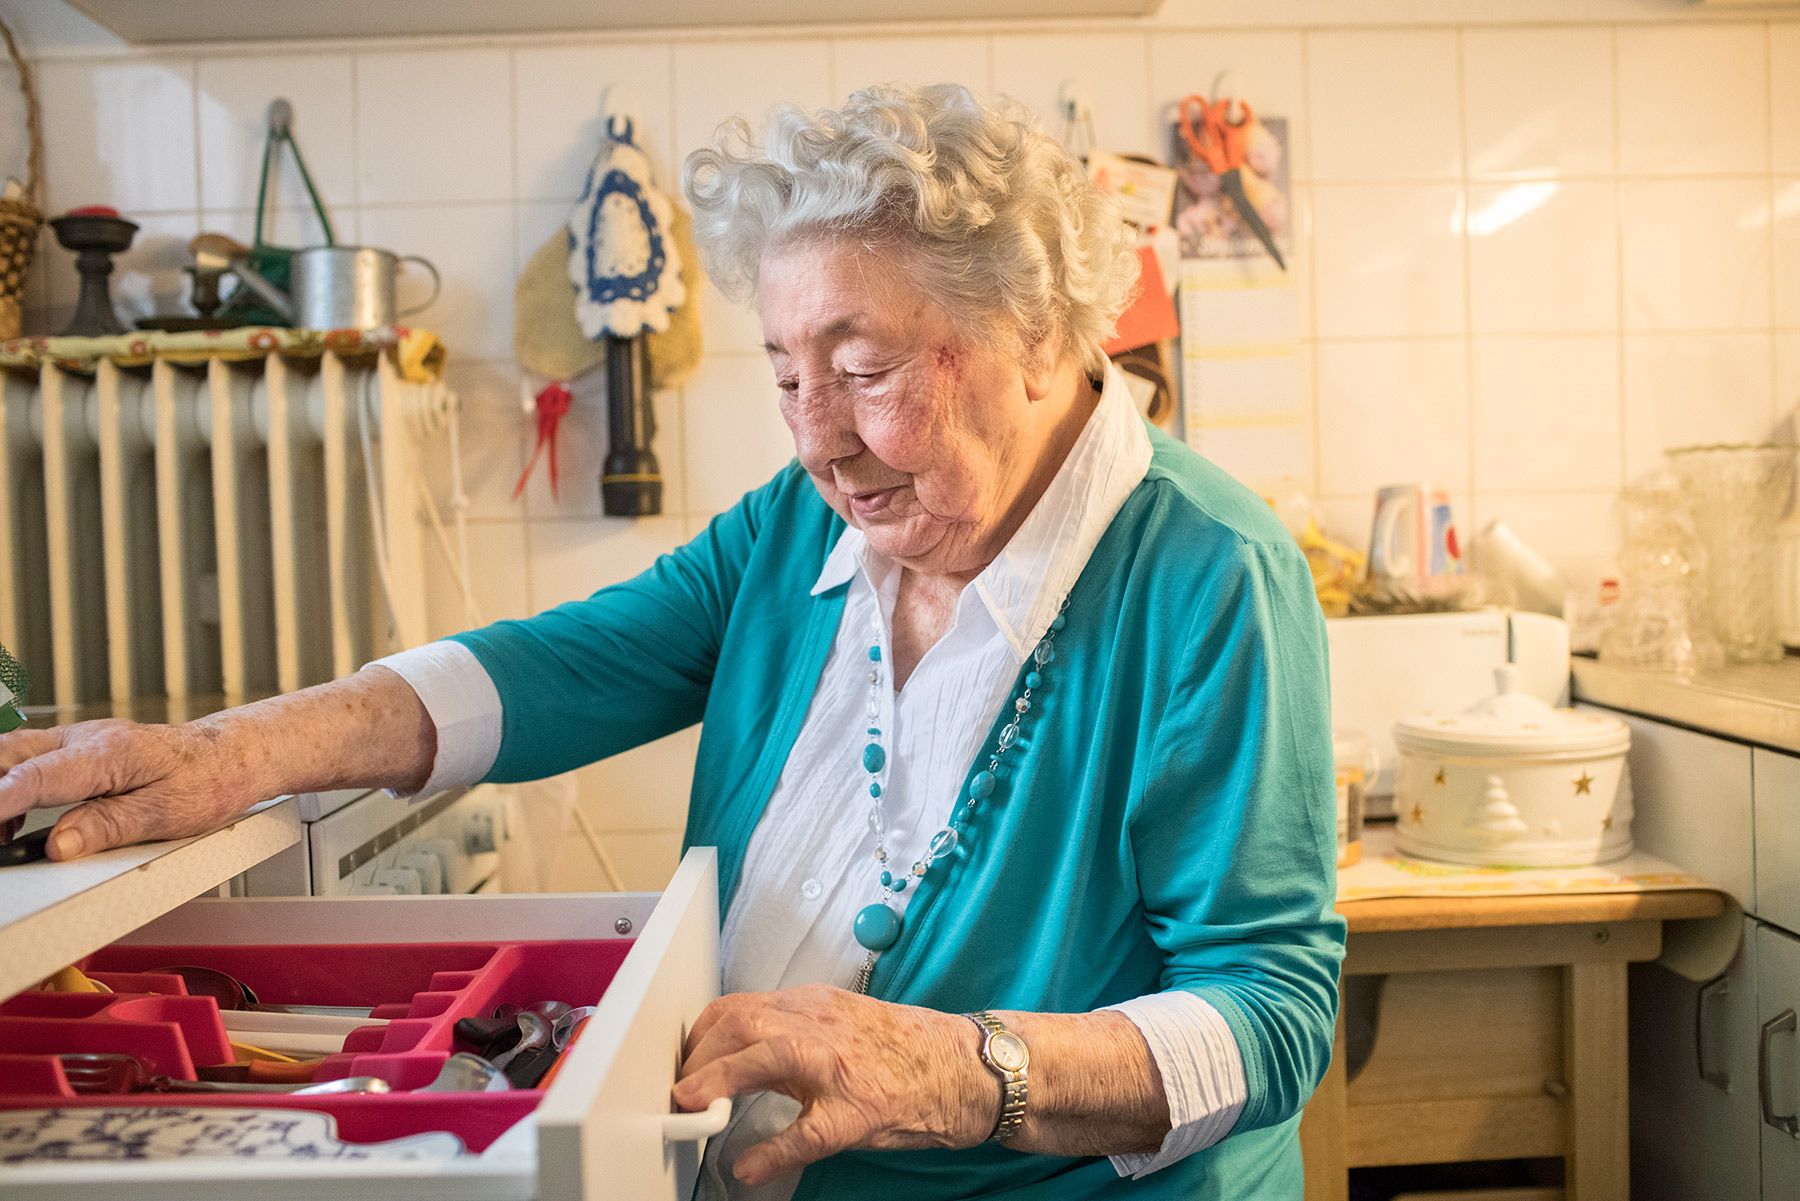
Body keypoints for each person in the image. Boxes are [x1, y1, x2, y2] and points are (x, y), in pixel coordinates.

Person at [0, 83, 1342, 1199]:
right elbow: (563, 664)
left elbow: (1271, 1015)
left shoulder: (1206, 574)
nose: (817, 437)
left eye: (865, 370)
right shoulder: (796, 531)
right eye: (783, 374)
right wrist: (230, 752)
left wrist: (954, 1066)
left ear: (1040, 339)